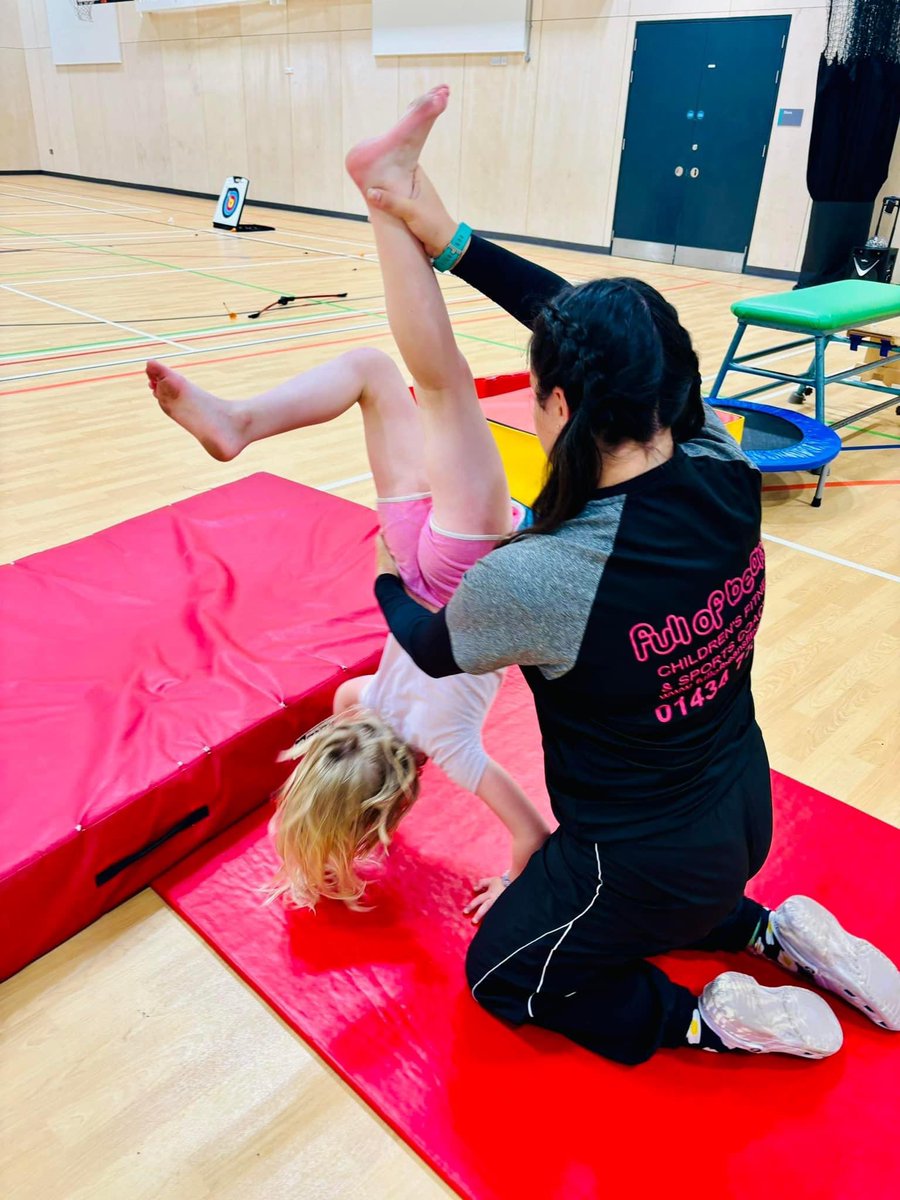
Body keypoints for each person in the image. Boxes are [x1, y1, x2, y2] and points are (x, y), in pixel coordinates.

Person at [356, 87, 900, 1063]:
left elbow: (432, 647)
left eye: (536, 395)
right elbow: (601, 340)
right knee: (674, 877)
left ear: (563, 407)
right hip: (743, 806)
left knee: (501, 973)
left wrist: (389, 574)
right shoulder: (721, 461)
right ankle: (777, 934)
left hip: (639, 861)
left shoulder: (543, 579)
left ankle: (705, 1020)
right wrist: (449, 239)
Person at [145, 85, 549, 917]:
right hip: (403, 551)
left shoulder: (450, 748)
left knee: (445, 384)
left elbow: (534, 835)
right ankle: (243, 421)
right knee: (372, 371)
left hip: (463, 565)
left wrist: (514, 879)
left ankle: (383, 183)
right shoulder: (358, 705)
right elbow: (343, 713)